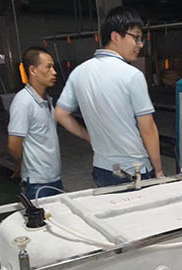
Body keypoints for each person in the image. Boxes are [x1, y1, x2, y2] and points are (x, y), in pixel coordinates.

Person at [54, 6, 164, 187]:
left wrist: (89, 136)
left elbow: (60, 114)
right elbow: (148, 129)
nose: (140, 44)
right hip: (133, 170)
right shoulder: (132, 75)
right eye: (136, 37)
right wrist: (158, 171)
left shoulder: (79, 72)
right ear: (115, 37)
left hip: (102, 169)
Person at [7, 46, 90, 200]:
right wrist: (24, 163)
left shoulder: (47, 100)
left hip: (53, 179)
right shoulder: (23, 102)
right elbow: (14, 144)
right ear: (33, 70)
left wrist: (88, 136)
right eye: (48, 67)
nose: (54, 72)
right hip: (37, 183)